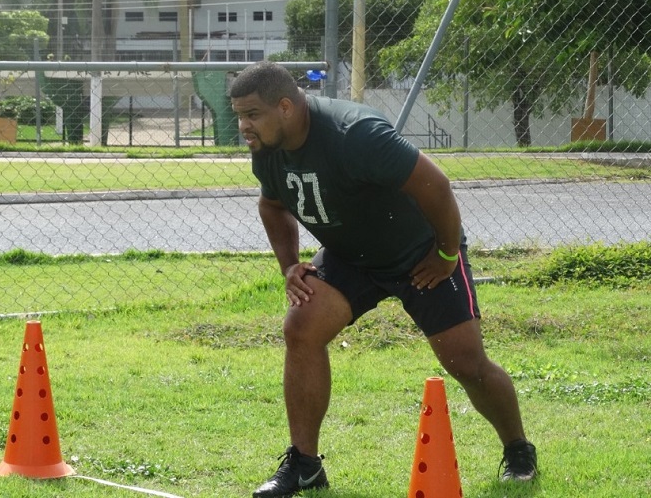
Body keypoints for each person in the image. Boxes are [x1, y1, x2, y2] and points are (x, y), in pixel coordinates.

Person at [229, 61, 537, 498]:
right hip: (351, 257)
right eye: (239, 115)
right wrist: (289, 264)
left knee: (465, 362)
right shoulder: (267, 145)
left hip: (420, 255)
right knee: (301, 326)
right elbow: (271, 204)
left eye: (252, 115)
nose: (243, 126)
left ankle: (519, 450)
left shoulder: (356, 134)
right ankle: (305, 466)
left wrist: (446, 252)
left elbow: (437, 186)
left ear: (285, 107)